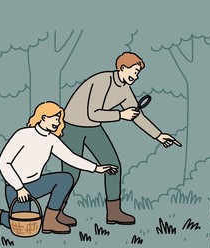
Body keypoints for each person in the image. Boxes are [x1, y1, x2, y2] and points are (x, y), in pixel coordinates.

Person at [61, 52, 178, 226]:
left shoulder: (125, 90)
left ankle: (114, 212)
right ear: (122, 68)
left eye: (138, 73)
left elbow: (137, 116)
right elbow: (93, 113)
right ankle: (55, 212)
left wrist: (159, 135)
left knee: (113, 165)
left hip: (93, 128)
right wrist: (121, 114)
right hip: (72, 126)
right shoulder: (102, 81)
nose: (136, 76)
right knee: (72, 172)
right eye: (135, 71)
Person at [0, 101, 117, 235]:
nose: (58, 122)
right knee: (21, 225)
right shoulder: (23, 135)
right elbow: (4, 162)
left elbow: (71, 158)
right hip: (15, 187)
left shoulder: (52, 140)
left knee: (65, 179)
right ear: (43, 117)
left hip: (36, 184)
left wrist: (96, 168)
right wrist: (19, 188)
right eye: (56, 118)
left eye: (59, 120)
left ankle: (50, 221)